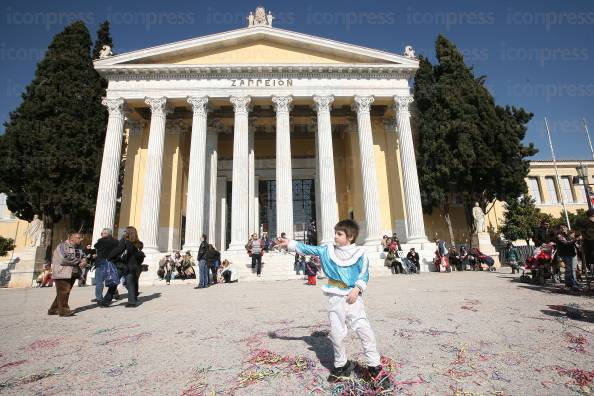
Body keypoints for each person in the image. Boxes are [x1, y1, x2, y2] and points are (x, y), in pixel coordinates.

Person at [276, 220, 389, 386]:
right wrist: (289, 244)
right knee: (336, 333)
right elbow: (309, 249)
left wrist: (357, 289)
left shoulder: (360, 253)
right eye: (335, 233)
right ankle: (341, 365)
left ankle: (374, 366)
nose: (335, 236)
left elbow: (364, 274)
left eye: (339, 234)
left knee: (364, 330)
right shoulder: (327, 250)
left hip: (353, 298)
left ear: (350, 237)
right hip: (334, 297)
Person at [48, 231, 86, 317]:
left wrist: (84, 261)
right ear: (71, 238)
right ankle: (64, 311)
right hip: (62, 272)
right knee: (64, 292)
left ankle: (53, 309)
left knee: (63, 292)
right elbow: (63, 259)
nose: (81, 239)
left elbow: (83, 256)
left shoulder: (79, 248)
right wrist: (79, 261)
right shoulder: (62, 246)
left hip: (73, 273)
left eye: (81, 237)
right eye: (79, 238)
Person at [105, 226, 144, 307]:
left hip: (123, 265)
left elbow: (118, 250)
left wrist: (109, 257)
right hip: (133, 266)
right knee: (130, 283)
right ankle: (132, 302)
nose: (124, 232)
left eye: (125, 231)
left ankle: (106, 301)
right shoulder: (138, 243)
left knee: (114, 282)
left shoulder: (125, 241)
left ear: (128, 232)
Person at [93, 228, 119, 306]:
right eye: (102, 233)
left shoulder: (101, 241)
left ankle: (99, 298)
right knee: (111, 279)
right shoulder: (116, 242)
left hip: (101, 262)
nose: (102, 235)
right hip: (111, 262)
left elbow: (95, 246)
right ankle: (114, 294)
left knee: (99, 282)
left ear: (108, 234)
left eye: (103, 233)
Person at [555, 224, 580, 290]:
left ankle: (572, 284)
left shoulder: (569, 234)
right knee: (569, 269)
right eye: (561, 227)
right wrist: (576, 239)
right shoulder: (559, 236)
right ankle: (569, 284)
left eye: (564, 227)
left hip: (572, 253)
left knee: (573, 269)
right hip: (566, 254)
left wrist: (576, 241)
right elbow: (566, 243)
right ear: (559, 229)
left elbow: (574, 243)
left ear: (567, 228)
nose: (563, 229)